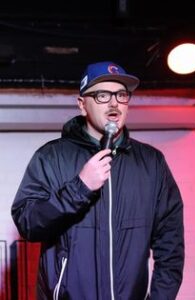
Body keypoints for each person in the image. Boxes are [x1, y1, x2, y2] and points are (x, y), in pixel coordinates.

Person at [11, 61, 185, 300]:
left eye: (122, 95)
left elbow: (170, 246)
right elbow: (28, 223)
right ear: (82, 105)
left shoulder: (152, 163)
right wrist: (79, 188)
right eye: (102, 95)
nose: (114, 103)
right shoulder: (51, 157)